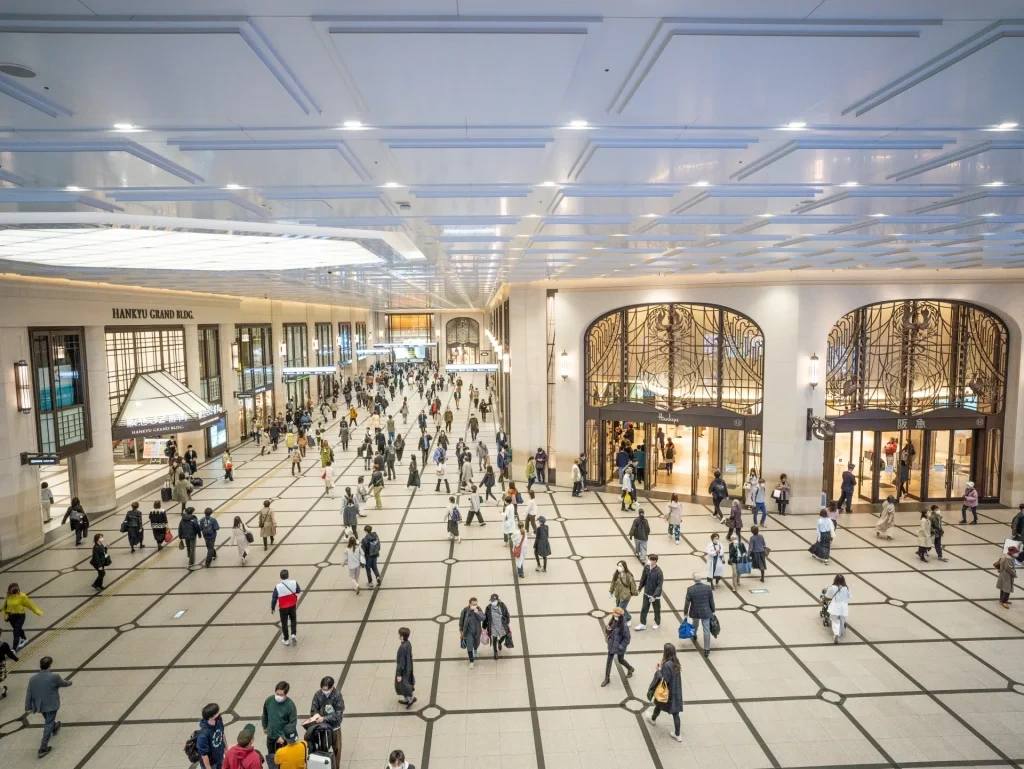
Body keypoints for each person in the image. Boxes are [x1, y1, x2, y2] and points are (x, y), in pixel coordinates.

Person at [24, 656, 72, 758]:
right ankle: (43, 748)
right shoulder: (54, 676)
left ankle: (54, 727)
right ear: (50, 666)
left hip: (40, 704)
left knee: (48, 718)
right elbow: (63, 683)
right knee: (48, 723)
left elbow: (29, 693)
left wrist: (28, 707)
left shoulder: (32, 679)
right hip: (51, 704)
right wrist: (70, 682)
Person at [648, 643, 684, 741]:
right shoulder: (676, 662)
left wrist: (658, 671)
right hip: (676, 691)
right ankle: (677, 734)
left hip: (667, 693)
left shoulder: (667, 665)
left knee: (658, 705)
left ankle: (653, 719)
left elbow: (664, 680)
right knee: (675, 713)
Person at [309, 676, 344, 768]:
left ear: (332, 687)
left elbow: (338, 714)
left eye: (326, 690)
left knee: (337, 748)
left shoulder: (337, 695)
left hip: (335, 727)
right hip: (322, 727)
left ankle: (336, 766)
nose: (324, 691)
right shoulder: (318, 694)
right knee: (323, 749)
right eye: (323, 689)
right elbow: (313, 709)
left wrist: (324, 718)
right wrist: (316, 715)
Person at [261, 681, 297, 758]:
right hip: (271, 735)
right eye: (277, 694)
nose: (278, 696)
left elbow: (292, 723)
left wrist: (283, 736)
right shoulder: (269, 700)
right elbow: (265, 714)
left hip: (282, 739)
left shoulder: (290, 706)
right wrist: (265, 726)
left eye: (281, 695)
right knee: (271, 757)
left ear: (286, 694)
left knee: (283, 758)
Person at [683, 573, 715, 656]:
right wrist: (713, 610)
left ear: (694, 580)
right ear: (701, 579)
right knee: (706, 629)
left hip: (695, 611)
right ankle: (707, 649)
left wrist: (685, 613)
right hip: (706, 611)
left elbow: (687, 602)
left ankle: (694, 634)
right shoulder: (708, 588)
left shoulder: (690, 589)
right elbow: (711, 600)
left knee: (695, 623)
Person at [2, 583, 42, 651]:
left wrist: (37, 611)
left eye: (16, 589)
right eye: (13, 589)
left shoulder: (22, 596)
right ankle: (24, 639)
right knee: (18, 629)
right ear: (9, 590)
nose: (15, 590)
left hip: (20, 616)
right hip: (11, 617)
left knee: (15, 631)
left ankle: (14, 648)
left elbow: (30, 604)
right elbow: (5, 607)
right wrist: (6, 616)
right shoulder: (8, 596)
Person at [601, 606, 635, 686]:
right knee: (609, 661)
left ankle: (630, 668)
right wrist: (607, 629)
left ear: (620, 615)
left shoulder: (624, 626)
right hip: (612, 645)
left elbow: (627, 638)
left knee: (621, 660)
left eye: (616, 615)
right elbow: (608, 632)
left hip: (619, 647)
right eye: (614, 615)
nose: (615, 616)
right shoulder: (613, 621)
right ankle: (607, 678)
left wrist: (621, 647)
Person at [271, 569, 301, 646]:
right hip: (292, 605)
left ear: (280, 577)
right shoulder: (294, 582)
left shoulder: (277, 587)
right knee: (293, 619)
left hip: (283, 608)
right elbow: (298, 590)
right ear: (288, 575)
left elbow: (274, 598)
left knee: (284, 623)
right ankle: (293, 634)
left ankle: (286, 639)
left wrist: (272, 608)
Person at [635, 553, 663, 631]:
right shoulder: (646, 568)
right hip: (646, 593)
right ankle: (642, 623)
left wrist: (654, 596)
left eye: (650, 559)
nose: (648, 561)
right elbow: (643, 579)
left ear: (655, 561)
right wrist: (639, 589)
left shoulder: (659, 572)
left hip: (655, 595)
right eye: (649, 559)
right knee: (644, 609)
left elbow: (659, 586)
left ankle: (657, 622)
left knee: (656, 609)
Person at [822, 574, 851, 643]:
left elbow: (827, 595)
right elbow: (849, 596)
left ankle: (836, 634)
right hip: (843, 608)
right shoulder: (846, 588)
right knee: (842, 622)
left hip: (835, 607)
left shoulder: (832, 587)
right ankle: (839, 633)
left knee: (835, 621)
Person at [196, 703, 226, 769]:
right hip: (211, 763)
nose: (219, 713)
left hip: (220, 757)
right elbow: (204, 755)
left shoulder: (218, 721)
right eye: (217, 712)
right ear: (211, 717)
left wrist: (226, 749)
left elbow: (222, 734)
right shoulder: (203, 735)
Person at [482, 593, 511, 659]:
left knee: (504, 635)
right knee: (494, 638)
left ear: (497, 600)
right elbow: (486, 618)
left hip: (501, 625)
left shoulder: (502, 605)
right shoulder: (488, 608)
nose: (493, 602)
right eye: (492, 601)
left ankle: (500, 642)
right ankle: (495, 652)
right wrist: (484, 627)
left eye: (494, 601)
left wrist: (507, 622)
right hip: (493, 626)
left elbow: (507, 614)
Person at [458, 597, 484, 668]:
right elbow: (461, 621)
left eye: (476, 604)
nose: (475, 606)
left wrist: (478, 613)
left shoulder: (478, 609)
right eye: (473, 604)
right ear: (469, 604)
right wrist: (461, 630)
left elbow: (483, 618)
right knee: (469, 646)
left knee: (477, 643)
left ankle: (475, 649)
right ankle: (471, 661)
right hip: (468, 632)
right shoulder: (465, 610)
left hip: (477, 631)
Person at [395, 626, 416, 709]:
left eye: (399, 634)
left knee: (404, 684)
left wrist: (399, 674)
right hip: (408, 667)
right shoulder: (408, 643)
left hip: (403, 670)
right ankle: (407, 698)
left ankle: (410, 698)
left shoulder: (402, 647)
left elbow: (401, 662)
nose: (398, 635)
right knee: (405, 683)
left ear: (402, 636)